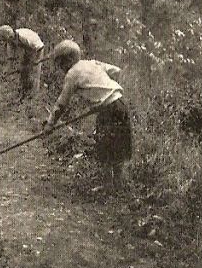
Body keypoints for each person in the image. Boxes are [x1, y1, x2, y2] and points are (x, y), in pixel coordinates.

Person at [44, 39, 131, 188]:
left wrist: (50, 123)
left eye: (61, 63)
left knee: (105, 146)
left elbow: (61, 103)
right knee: (119, 144)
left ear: (69, 59)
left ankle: (109, 186)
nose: (60, 68)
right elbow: (117, 71)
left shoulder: (72, 74)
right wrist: (105, 90)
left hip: (108, 111)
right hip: (121, 103)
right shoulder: (92, 63)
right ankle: (118, 184)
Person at [13, 26, 45, 98]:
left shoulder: (23, 37)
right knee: (23, 71)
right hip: (28, 50)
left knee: (35, 72)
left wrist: (36, 60)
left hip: (38, 49)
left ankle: (34, 96)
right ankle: (23, 93)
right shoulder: (12, 37)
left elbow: (39, 47)